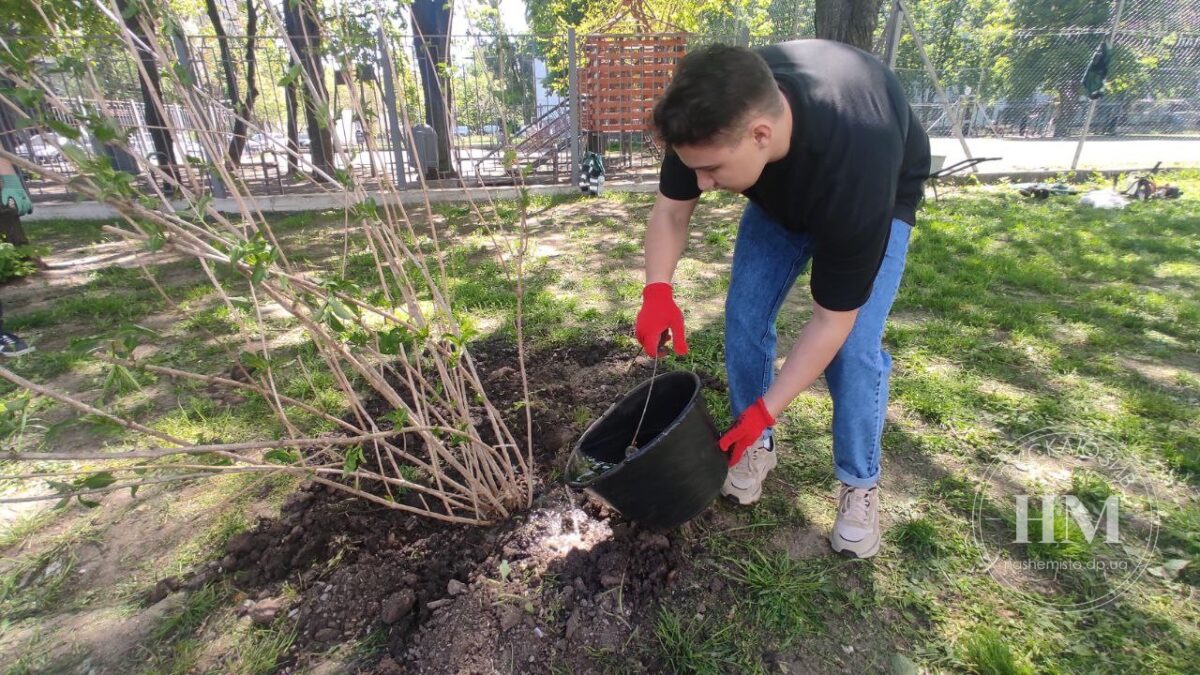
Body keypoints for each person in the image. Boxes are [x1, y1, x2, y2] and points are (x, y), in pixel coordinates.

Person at [634, 41, 930, 558]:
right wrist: (657, 289)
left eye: (712, 172)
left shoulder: (857, 168)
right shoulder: (710, 115)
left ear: (760, 134)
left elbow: (830, 322)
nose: (701, 183)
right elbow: (671, 211)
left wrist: (765, 409)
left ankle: (859, 483)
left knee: (854, 349)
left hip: (878, 193)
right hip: (783, 187)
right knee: (744, 314)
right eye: (695, 169)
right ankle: (755, 448)